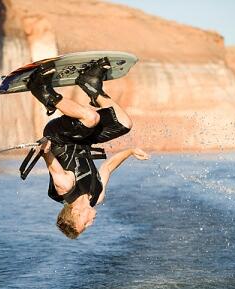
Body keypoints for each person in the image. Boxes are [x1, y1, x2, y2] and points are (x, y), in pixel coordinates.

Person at [23, 57, 150, 239]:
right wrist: (130, 152)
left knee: (90, 118)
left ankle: (41, 89)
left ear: (76, 215)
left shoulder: (65, 187)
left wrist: (44, 148)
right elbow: (107, 167)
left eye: (85, 224)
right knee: (124, 123)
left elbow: (48, 157)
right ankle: (91, 84)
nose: (91, 223)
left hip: (59, 136)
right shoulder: (97, 197)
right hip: (83, 141)